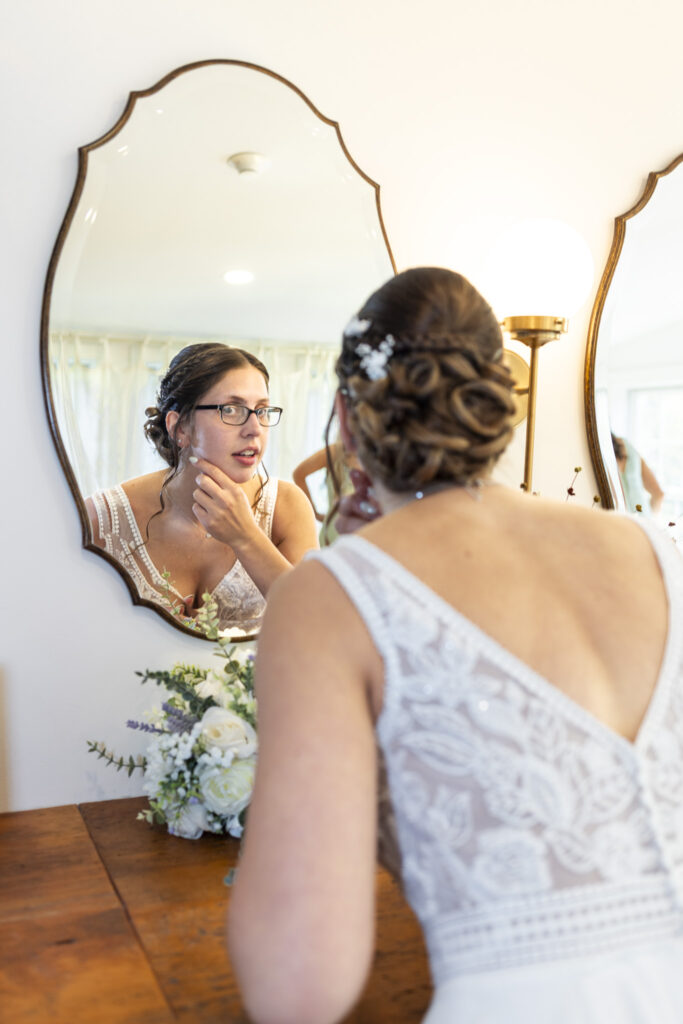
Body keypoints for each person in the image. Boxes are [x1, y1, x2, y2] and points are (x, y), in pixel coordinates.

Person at [227, 267, 683, 1023]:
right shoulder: (659, 550)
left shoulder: (332, 595)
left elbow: (294, 986)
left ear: (346, 418)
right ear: (498, 406)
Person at [86, 343, 318, 632]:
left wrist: (246, 536)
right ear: (180, 427)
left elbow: (314, 624)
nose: (255, 428)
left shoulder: (287, 507)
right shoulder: (105, 518)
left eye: (261, 410)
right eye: (231, 409)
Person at [293, 439, 361, 545]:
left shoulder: (378, 457)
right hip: (333, 533)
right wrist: (314, 514)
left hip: (362, 537)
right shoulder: (335, 451)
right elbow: (298, 474)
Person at [612, 433, 665, 516]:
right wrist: (649, 518)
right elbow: (658, 495)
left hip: (618, 521)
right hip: (642, 520)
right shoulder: (627, 447)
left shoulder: (598, 450)